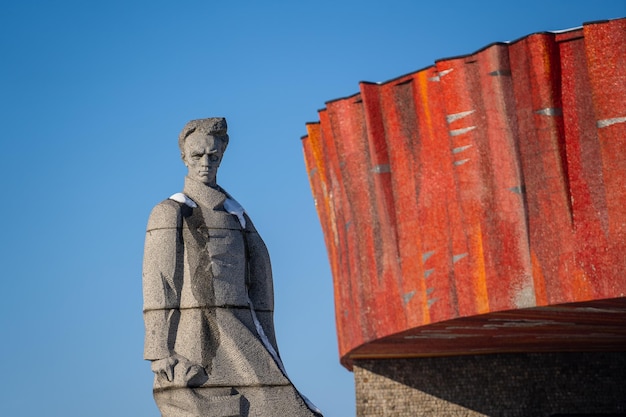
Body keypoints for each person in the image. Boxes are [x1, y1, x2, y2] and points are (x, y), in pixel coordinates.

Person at [143, 118, 322, 417]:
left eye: (213, 156)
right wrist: (159, 351)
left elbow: (259, 280)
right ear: (184, 157)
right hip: (198, 339)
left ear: (222, 155)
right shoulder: (171, 211)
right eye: (198, 156)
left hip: (244, 329)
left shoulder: (237, 215)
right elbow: (160, 282)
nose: (205, 163)